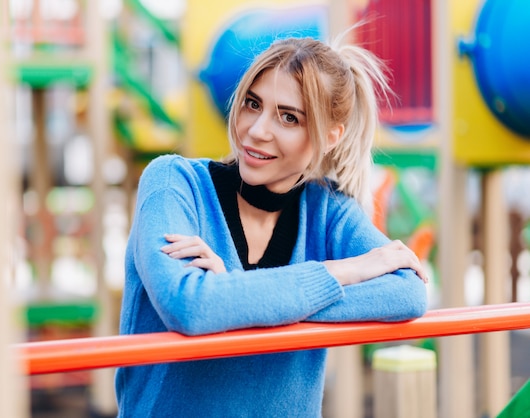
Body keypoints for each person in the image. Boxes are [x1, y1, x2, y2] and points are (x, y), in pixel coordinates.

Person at [115, 34, 429, 417]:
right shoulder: (173, 183)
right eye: (252, 103)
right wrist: (339, 272)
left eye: (288, 117)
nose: (257, 130)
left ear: (331, 136)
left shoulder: (328, 211)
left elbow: (408, 294)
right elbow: (191, 306)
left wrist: (232, 294)